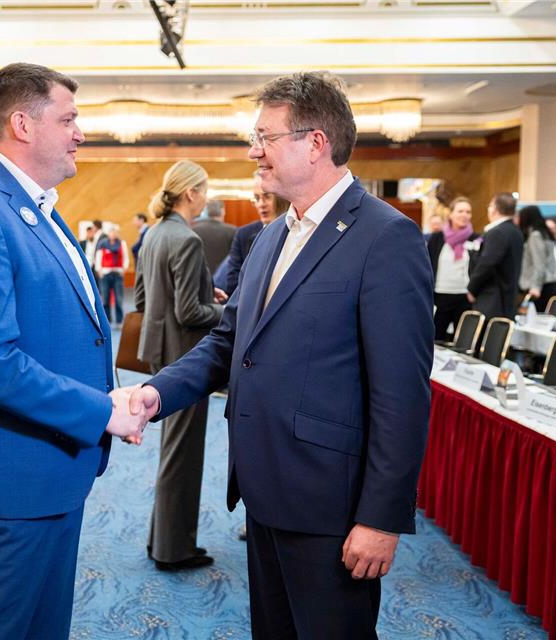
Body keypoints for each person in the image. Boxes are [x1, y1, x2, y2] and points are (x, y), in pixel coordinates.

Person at [129, 71, 433, 639]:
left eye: (264, 137)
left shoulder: (386, 237)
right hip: (263, 490)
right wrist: (156, 393)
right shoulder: (270, 235)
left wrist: (380, 518)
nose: (253, 152)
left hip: (331, 506)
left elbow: (403, 394)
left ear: (315, 142)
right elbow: (228, 341)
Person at [0, 62, 143, 640]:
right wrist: (101, 411)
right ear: (22, 124)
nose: (80, 133)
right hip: (7, 475)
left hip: (47, 466)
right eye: (67, 119)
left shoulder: (29, 204)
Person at [135, 160, 225, 572]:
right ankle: (174, 549)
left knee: (172, 452)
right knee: (182, 456)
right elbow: (190, 312)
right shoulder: (186, 239)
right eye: (204, 190)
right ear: (191, 194)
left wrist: (208, 293)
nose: (206, 198)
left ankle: (163, 540)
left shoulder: (154, 234)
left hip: (159, 354)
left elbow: (143, 301)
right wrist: (229, 312)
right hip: (186, 357)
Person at [224, 172, 289, 294]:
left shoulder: (295, 231)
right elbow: (233, 284)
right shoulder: (243, 235)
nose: (261, 204)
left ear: (280, 198)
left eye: (267, 197)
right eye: (257, 198)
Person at [427, 197, 478, 341]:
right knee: (436, 340)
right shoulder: (437, 238)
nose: (464, 215)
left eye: (468, 212)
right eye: (460, 211)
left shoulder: (476, 239)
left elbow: (479, 267)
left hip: (464, 297)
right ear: (451, 214)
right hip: (440, 296)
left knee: (463, 341)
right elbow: (428, 263)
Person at [467, 193, 523, 320]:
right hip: (507, 296)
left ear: (495, 209)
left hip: (493, 299)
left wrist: (472, 288)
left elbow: (487, 263)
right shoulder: (515, 231)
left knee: (489, 337)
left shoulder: (497, 232)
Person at [517, 205, 556, 313]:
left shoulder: (535, 236)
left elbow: (539, 264)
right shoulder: (546, 234)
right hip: (551, 282)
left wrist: (536, 287)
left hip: (541, 285)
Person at [94, 223, 129, 326]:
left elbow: (125, 257)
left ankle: (119, 321)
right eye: (111, 232)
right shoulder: (102, 244)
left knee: (119, 299)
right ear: (108, 233)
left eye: (115, 232)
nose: (113, 234)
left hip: (118, 274)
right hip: (105, 274)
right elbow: (98, 258)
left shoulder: (122, 243)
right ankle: (107, 320)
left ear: (117, 233)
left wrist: (124, 269)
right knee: (105, 298)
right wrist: (99, 270)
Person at [192, 199, 237, 275]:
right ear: (223, 211)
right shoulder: (233, 231)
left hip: (199, 278)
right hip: (223, 281)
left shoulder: (192, 230)